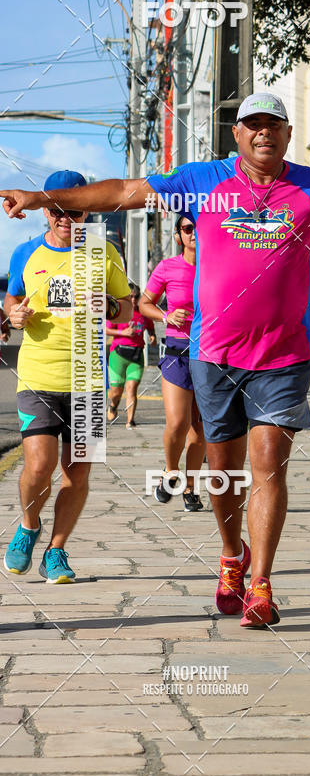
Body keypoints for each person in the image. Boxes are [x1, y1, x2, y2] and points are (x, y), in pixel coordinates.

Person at [1, 92, 310, 624]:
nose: (264, 132)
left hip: (284, 356)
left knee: (268, 468)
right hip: (214, 355)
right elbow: (124, 192)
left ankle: (262, 584)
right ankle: (230, 554)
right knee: (224, 475)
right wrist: (41, 198)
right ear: (238, 135)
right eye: (253, 125)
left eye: (274, 124)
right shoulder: (202, 181)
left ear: (288, 135)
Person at [2, 170, 131, 583]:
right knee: (38, 465)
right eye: (57, 210)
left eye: (74, 210)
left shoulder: (103, 253)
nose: (65, 218)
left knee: (79, 472)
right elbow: (13, 299)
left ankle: (56, 551)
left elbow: (126, 311)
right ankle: (28, 526)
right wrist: (14, 314)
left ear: (87, 211)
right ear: (45, 211)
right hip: (38, 376)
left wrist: (108, 306)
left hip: (88, 380)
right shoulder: (25, 252)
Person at [139, 215, 205, 512]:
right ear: (179, 235)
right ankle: (169, 471)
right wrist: (166, 316)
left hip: (211, 355)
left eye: (199, 228)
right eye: (188, 229)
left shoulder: (217, 266)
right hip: (177, 352)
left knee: (200, 430)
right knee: (178, 423)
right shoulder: (168, 267)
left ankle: (191, 488)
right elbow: (144, 303)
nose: (194, 234)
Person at [106, 283, 156, 429]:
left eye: (136, 297)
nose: (133, 300)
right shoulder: (118, 312)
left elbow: (151, 329)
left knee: (132, 387)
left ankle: (130, 421)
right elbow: (106, 330)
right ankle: (113, 406)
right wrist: (123, 333)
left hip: (136, 355)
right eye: (131, 297)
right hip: (119, 354)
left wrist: (153, 337)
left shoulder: (144, 313)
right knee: (116, 391)